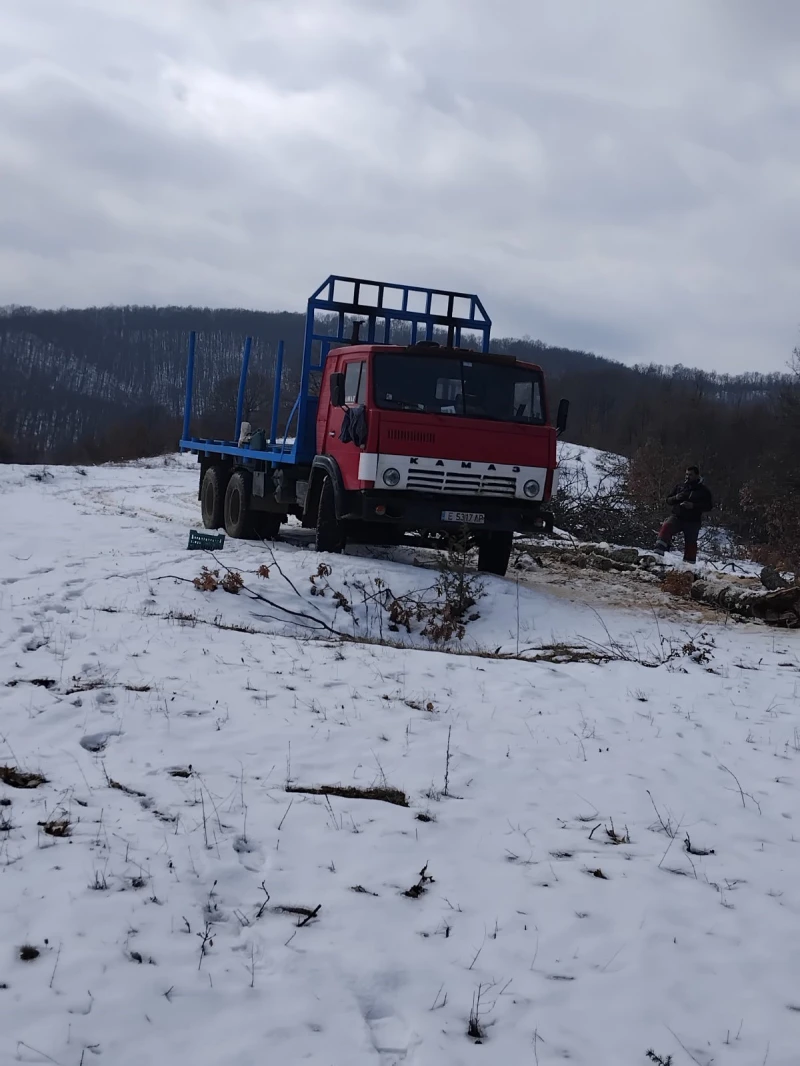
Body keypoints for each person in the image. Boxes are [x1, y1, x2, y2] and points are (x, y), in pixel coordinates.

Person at [654, 465, 713, 564]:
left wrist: (693, 505)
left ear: (697, 476)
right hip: (677, 516)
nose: (687, 477)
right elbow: (668, 500)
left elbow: (709, 506)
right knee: (666, 527)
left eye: (690, 475)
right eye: (686, 474)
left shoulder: (703, 491)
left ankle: (688, 567)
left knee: (691, 544)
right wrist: (676, 497)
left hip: (693, 521)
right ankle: (657, 556)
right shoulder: (680, 486)